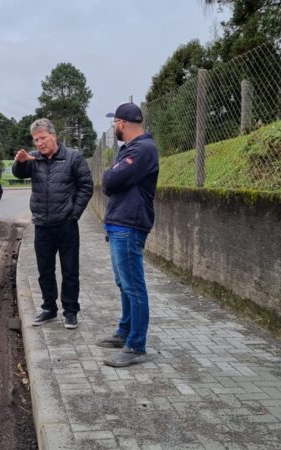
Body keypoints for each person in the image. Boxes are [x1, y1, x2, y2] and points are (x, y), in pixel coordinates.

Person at [12, 118, 93, 329]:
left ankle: (71, 311)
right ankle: (49, 307)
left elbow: (86, 186)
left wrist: (73, 214)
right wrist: (20, 161)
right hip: (42, 224)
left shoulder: (73, 157)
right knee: (44, 270)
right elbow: (19, 174)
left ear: (54, 136)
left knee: (70, 269)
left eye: (43, 138)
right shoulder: (34, 159)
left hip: (66, 225)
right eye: (36, 139)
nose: (39, 143)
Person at [97, 103, 159, 367]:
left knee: (134, 285)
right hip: (118, 223)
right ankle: (124, 332)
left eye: (115, 124)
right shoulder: (129, 150)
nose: (114, 128)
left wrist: (110, 173)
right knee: (124, 283)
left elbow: (109, 182)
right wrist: (112, 173)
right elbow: (112, 181)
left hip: (129, 224)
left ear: (122, 123)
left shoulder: (143, 149)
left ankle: (136, 346)